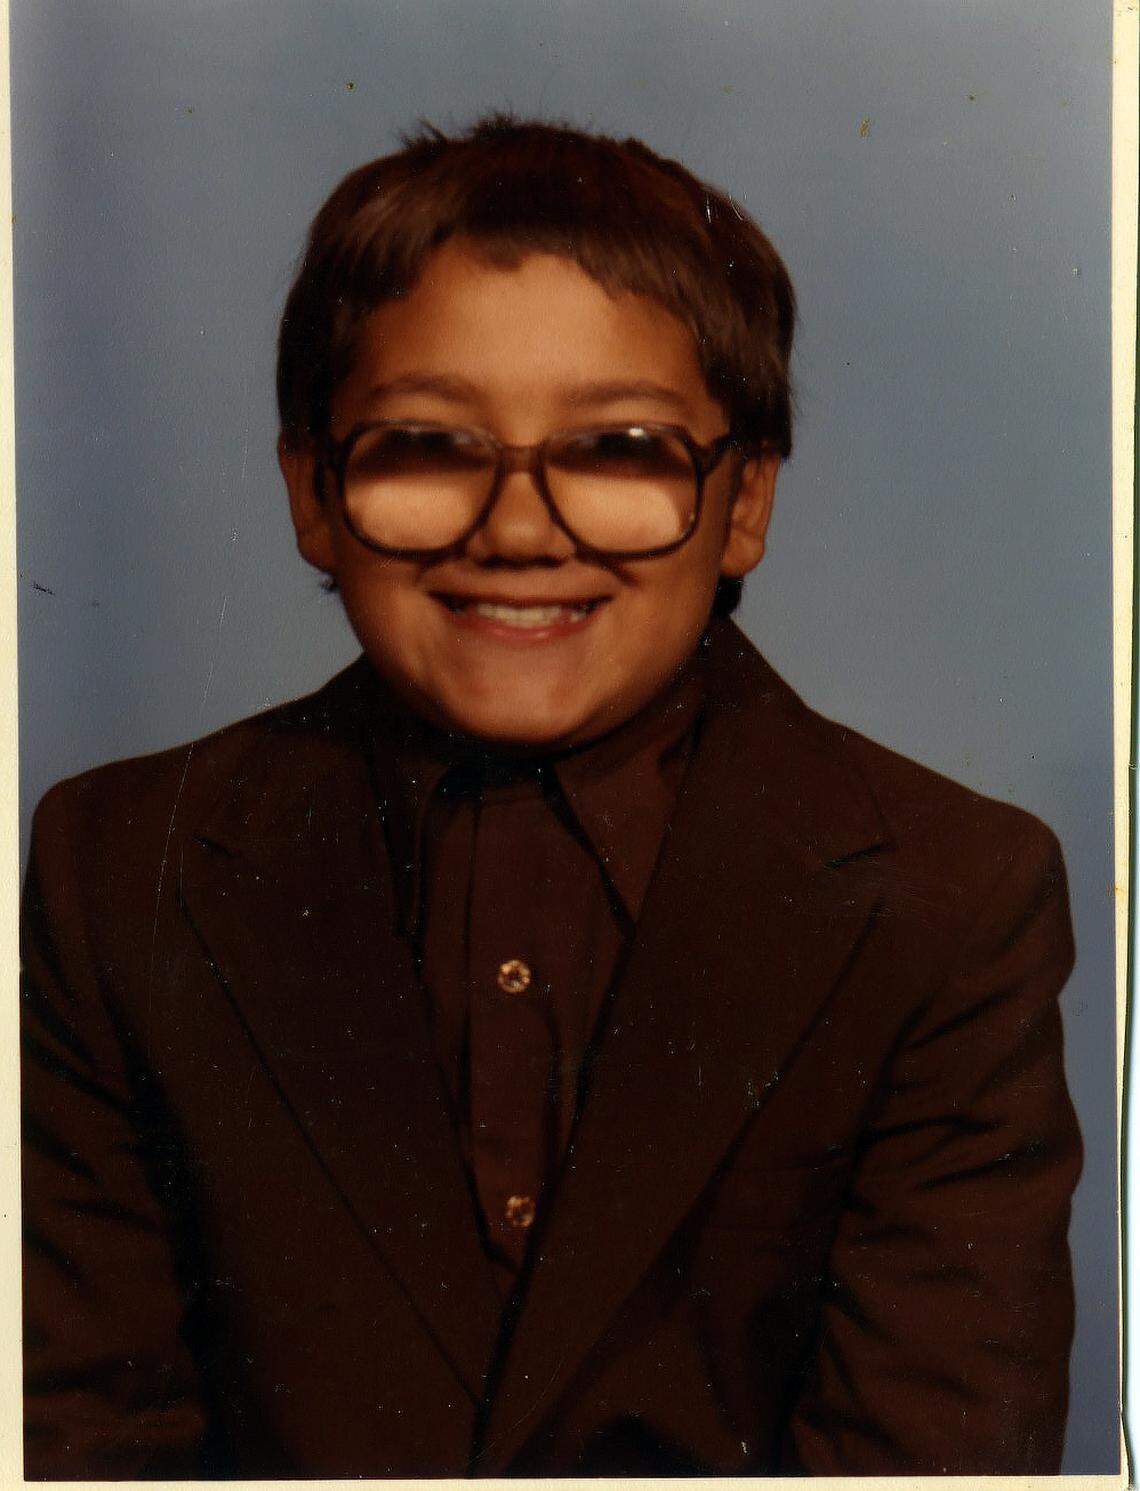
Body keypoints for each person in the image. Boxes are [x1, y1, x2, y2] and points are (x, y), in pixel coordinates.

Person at [21, 114, 1082, 1478]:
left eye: (620, 451)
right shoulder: (117, 871)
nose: (520, 532)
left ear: (743, 500)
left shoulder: (950, 902)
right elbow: (82, 1443)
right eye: (426, 446)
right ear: (311, 492)